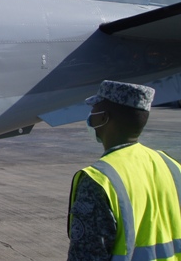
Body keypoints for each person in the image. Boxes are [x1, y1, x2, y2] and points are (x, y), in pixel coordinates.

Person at [67, 80, 181, 260]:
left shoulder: (99, 179)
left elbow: (87, 254)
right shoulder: (172, 166)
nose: (91, 115)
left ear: (104, 118)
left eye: (95, 108)